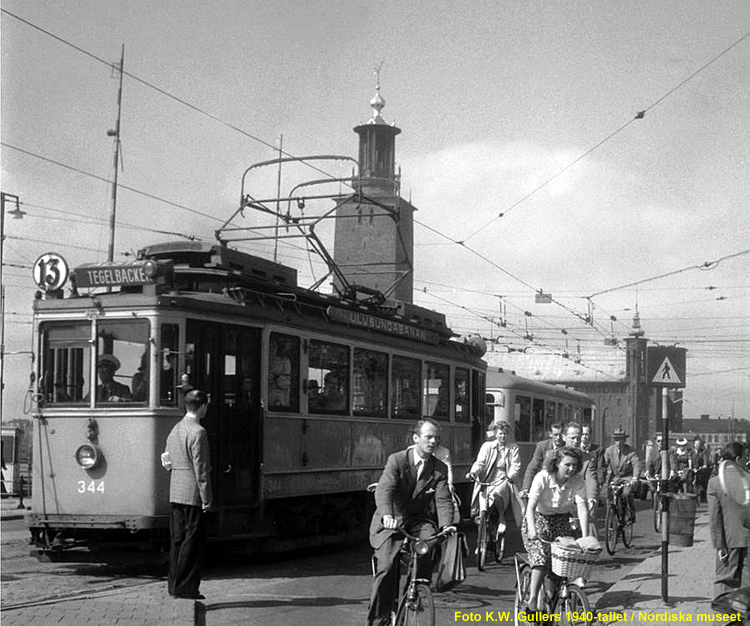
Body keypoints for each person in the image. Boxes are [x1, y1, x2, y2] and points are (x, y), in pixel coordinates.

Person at [366, 418, 455, 626]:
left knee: (431, 541)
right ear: (416, 438)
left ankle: (414, 591)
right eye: (428, 437)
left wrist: (446, 525)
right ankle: (379, 619)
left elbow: (443, 500)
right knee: (387, 567)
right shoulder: (397, 460)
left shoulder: (439, 468)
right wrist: (387, 515)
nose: (433, 442)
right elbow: (385, 489)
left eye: (436, 438)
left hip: (417, 519)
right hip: (392, 519)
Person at [522, 445, 590, 612]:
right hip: (538, 519)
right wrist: (532, 530)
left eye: (574, 465)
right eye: (567, 465)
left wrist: (585, 536)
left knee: (561, 563)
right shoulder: (543, 477)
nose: (571, 469)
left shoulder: (577, 480)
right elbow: (530, 508)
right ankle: (532, 600)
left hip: (561, 521)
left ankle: (550, 598)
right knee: (540, 558)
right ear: (557, 463)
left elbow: (582, 508)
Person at [163, 389, 213, 600]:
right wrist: (206, 498)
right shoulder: (198, 432)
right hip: (192, 493)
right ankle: (187, 587)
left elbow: (166, 460)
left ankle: (173, 585)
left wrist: (177, 472)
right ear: (202, 406)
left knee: (177, 540)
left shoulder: (176, 428)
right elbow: (201, 470)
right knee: (192, 541)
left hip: (176, 491)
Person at [707, 442, 750, 602]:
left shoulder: (715, 483)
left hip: (728, 540)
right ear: (738, 459)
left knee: (724, 581)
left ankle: (724, 613)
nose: (747, 461)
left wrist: (719, 545)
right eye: (745, 457)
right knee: (747, 584)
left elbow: (714, 518)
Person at [467, 420, 521, 536]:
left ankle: (501, 518)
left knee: (497, 494)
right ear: (496, 434)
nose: (503, 436)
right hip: (487, 479)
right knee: (483, 504)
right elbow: (479, 463)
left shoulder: (513, 448)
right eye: (500, 433)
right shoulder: (487, 446)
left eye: (505, 434)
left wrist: (510, 476)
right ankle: (481, 532)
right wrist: (473, 472)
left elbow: (515, 465)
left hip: (503, 479)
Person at [602, 426, 642, 523]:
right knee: (609, 496)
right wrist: (601, 477)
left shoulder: (631, 451)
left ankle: (629, 512)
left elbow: (636, 465)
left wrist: (635, 478)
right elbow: (603, 465)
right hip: (615, 478)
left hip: (627, 477)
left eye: (620, 440)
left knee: (626, 494)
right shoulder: (609, 451)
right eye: (616, 440)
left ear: (624, 440)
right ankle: (610, 519)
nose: (618, 442)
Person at [520, 422, 565, 497]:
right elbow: (532, 467)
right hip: (546, 481)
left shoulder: (567, 447)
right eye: (555, 435)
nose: (558, 438)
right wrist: (526, 488)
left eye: (560, 435)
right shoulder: (542, 446)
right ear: (550, 434)